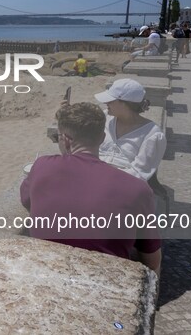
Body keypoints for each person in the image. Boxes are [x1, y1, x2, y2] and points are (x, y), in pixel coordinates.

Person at [20, 102, 161, 275]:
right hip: (103, 283)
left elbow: (28, 202)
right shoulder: (137, 188)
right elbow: (152, 261)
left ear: (64, 138)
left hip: (46, 271)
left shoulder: (41, 166)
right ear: (102, 138)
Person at [94, 78, 166, 182]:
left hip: (122, 184)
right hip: (93, 175)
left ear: (124, 104)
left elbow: (140, 172)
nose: (106, 103)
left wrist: (105, 177)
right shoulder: (105, 117)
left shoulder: (152, 134)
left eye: (110, 100)